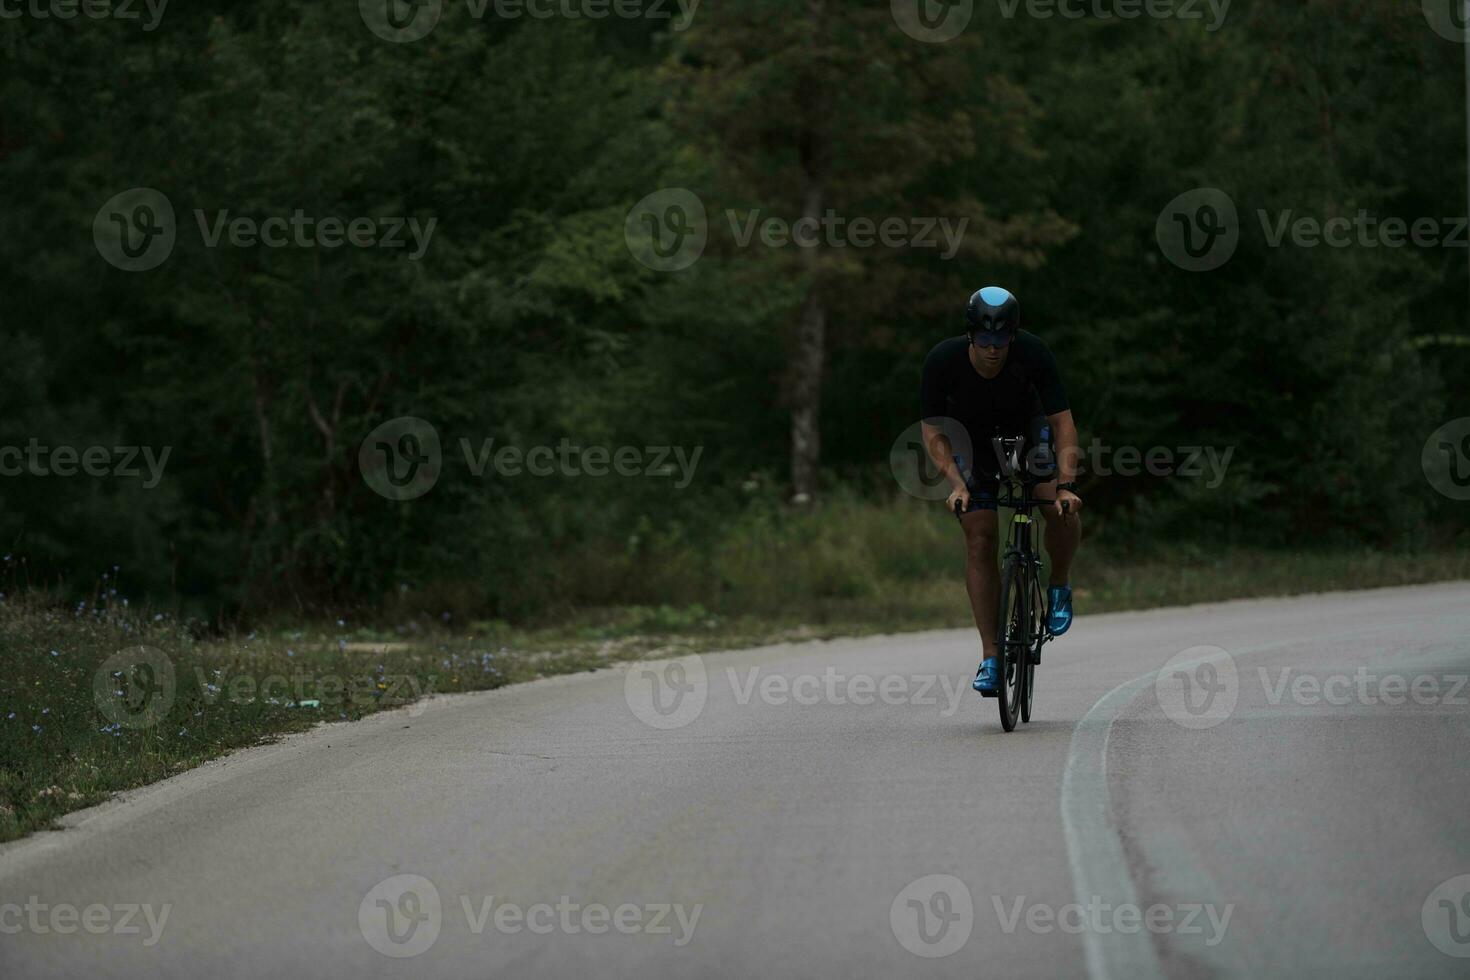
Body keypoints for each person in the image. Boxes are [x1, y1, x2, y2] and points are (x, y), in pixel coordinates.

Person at [919, 286, 1082, 695]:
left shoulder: (1034, 353)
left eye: (1002, 340)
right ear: (971, 335)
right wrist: (956, 484)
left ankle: (1059, 584)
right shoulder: (943, 359)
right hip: (972, 444)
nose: (994, 349)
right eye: (985, 340)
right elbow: (933, 431)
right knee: (980, 537)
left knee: (1060, 509)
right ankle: (991, 656)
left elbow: (1062, 422)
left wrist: (1065, 486)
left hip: (1028, 436)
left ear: (1014, 335)